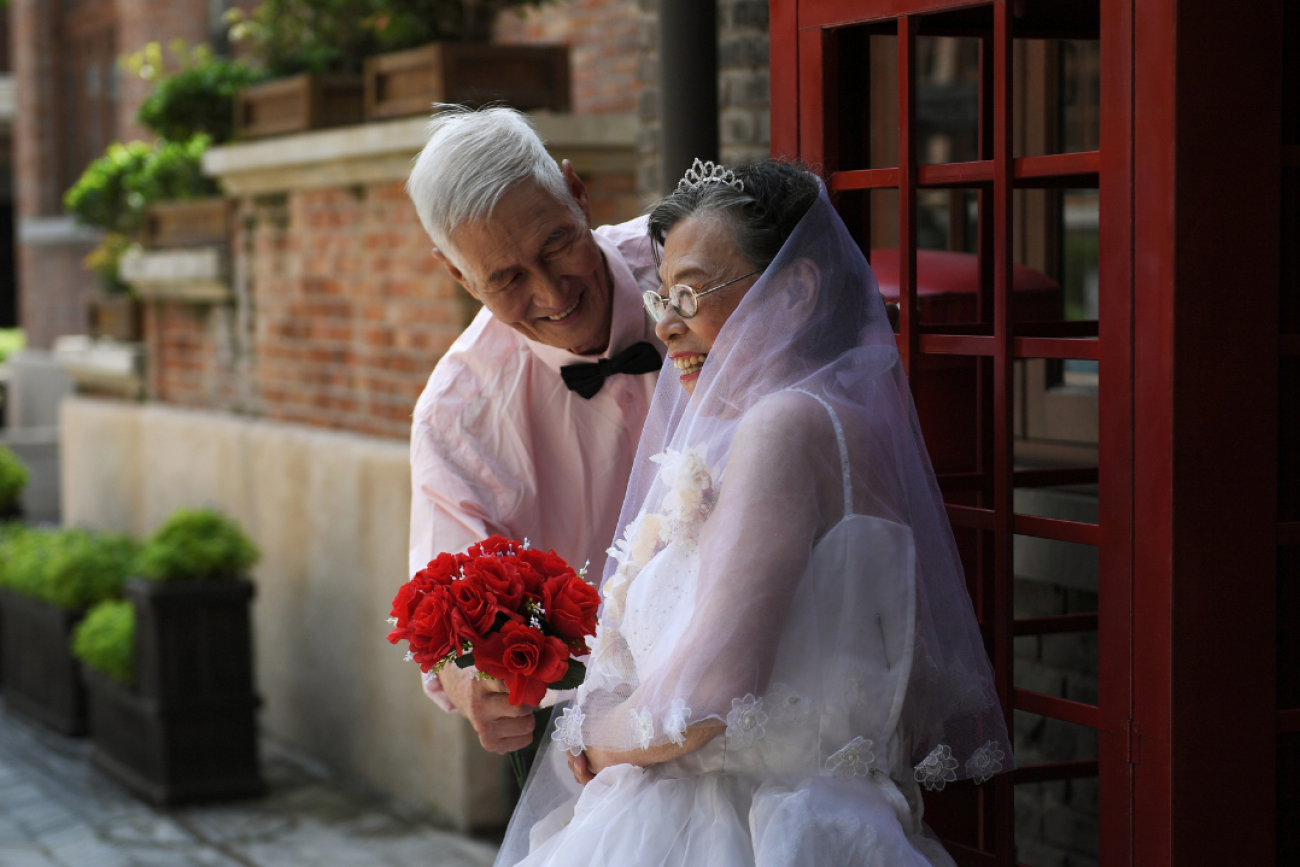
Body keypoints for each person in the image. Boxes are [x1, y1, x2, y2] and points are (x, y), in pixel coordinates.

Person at [493, 160, 1014, 866]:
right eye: (661, 298)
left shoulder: (784, 424)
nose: (668, 326)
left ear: (794, 291)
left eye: (691, 292)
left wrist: (590, 738)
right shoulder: (804, 427)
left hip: (735, 832)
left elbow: (710, 693)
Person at [404, 106, 664, 755]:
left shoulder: (691, 275)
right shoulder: (455, 414)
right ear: (458, 276)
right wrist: (471, 686)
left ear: (576, 192)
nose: (552, 293)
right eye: (508, 278)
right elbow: (449, 616)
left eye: (555, 245)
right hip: (582, 725)